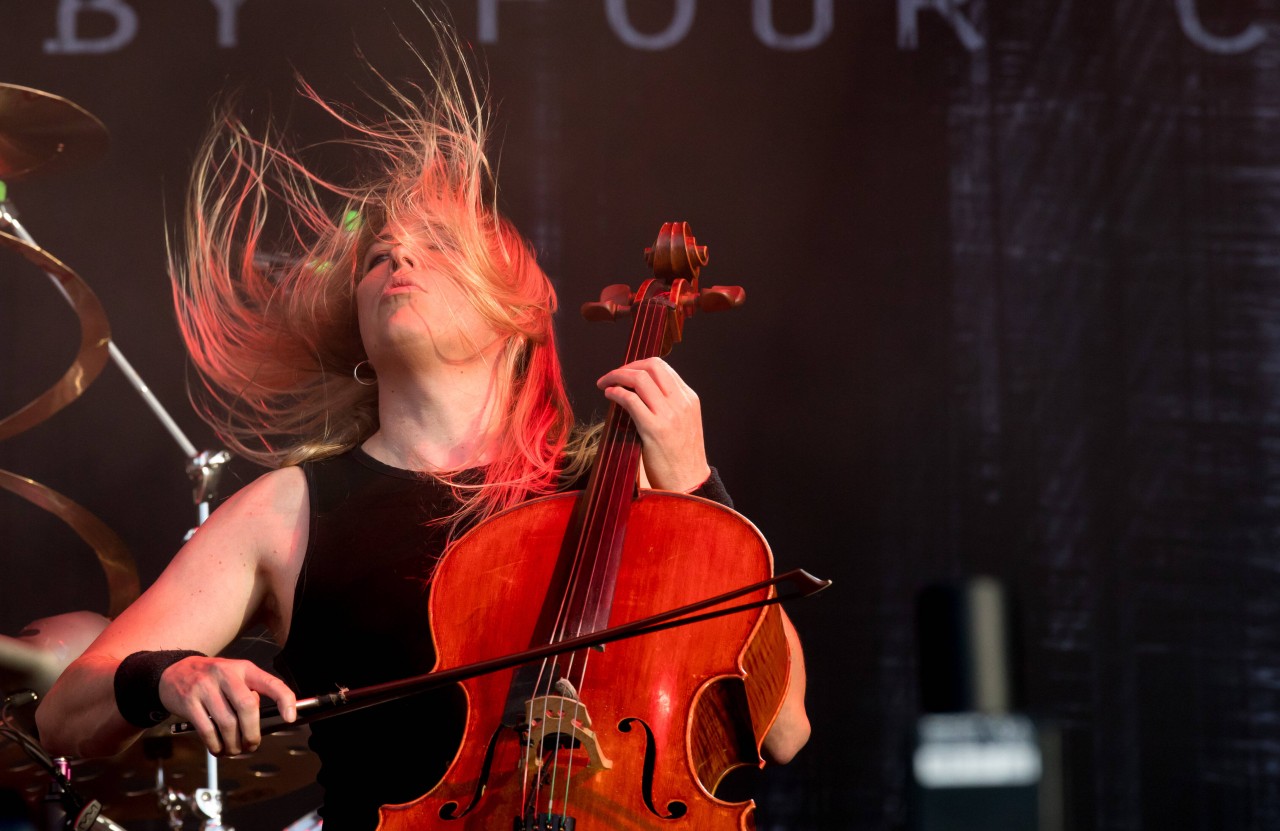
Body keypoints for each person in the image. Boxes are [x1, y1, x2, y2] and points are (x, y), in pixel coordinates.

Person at [36, 28, 809, 830]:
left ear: (521, 315)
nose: (398, 254)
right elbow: (66, 712)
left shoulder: (616, 488)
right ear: (361, 333)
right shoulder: (289, 510)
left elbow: (784, 725)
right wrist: (170, 674)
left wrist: (695, 490)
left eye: (437, 245)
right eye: (377, 256)